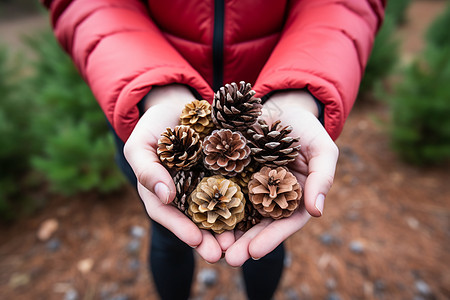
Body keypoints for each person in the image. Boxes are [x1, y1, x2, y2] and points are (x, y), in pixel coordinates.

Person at [42, 0, 386, 299]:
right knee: (166, 229)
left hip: (269, 93)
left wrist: (302, 91)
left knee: (265, 240)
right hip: (150, 118)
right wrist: (153, 87)